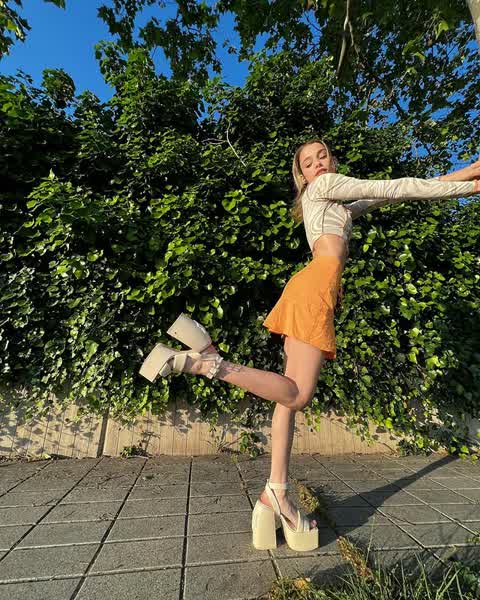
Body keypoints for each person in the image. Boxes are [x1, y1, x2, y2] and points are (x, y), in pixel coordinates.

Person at [139, 139, 480, 552]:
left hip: (309, 289)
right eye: (307, 161)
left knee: (286, 401)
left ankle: (275, 493)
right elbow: (395, 185)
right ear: (302, 174)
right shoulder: (324, 187)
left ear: (332, 160)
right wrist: (469, 188)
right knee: (297, 395)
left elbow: (391, 197)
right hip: (314, 291)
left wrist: (464, 173)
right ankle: (205, 362)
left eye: (322, 156)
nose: (317, 163)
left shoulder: (337, 205)